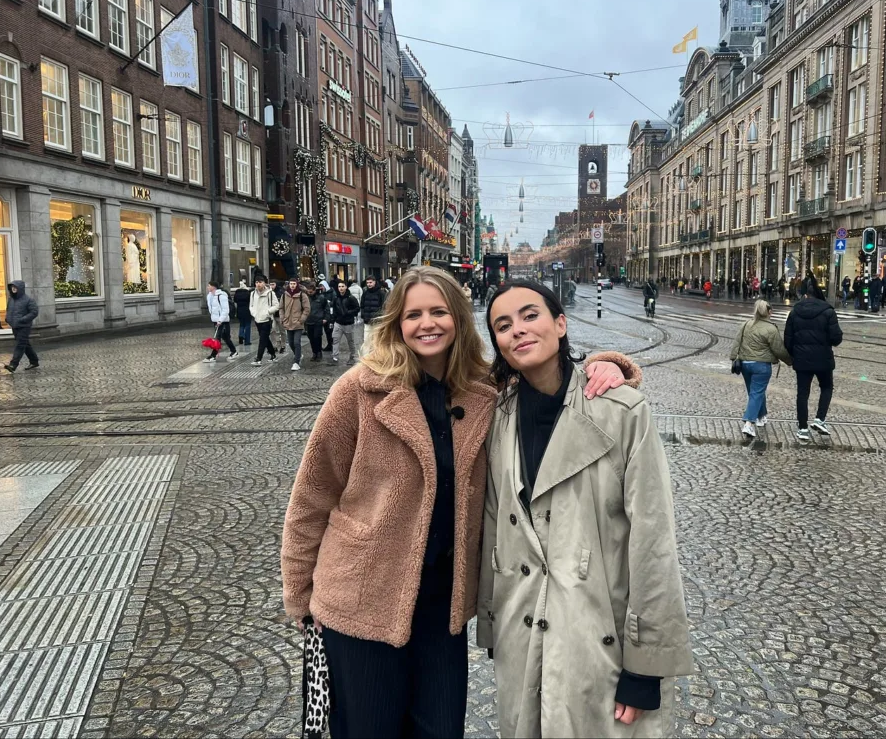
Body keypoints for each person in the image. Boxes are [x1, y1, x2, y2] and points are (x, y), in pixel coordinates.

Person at [280, 268, 630, 739]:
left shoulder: (485, 389)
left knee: (441, 729)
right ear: (396, 323)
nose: (427, 324)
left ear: (459, 320)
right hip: (361, 600)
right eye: (413, 315)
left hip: (443, 607)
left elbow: (549, 372)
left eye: (439, 312)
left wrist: (609, 366)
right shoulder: (358, 390)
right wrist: (300, 598)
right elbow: (311, 497)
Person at [479, 281, 692, 738]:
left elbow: (653, 541)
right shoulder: (497, 413)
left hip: (596, 641)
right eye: (503, 324)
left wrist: (646, 667)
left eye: (530, 315)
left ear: (561, 323)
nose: (518, 329)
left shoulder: (622, 411)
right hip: (521, 636)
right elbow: (496, 523)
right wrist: (494, 626)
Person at [785, 283, 843, 442]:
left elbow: (788, 339)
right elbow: (836, 338)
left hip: (802, 359)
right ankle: (820, 418)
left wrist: (794, 354)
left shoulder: (795, 311)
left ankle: (803, 428)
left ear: (806, 295)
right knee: (827, 387)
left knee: (802, 393)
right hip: (823, 358)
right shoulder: (828, 311)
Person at [730, 299, 792, 438]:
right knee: (756, 393)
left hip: (745, 364)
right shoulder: (771, 329)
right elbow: (779, 349)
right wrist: (790, 361)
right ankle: (748, 424)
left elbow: (736, 343)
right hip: (762, 366)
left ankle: (761, 416)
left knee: (755, 392)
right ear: (769, 312)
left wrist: (734, 358)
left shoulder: (746, 324)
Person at [2, 281, 38, 373]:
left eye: (15, 287)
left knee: (20, 345)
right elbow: (8, 310)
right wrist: (7, 319)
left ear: (20, 288)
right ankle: (34, 361)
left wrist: (23, 319)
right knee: (25, 344)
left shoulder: (28, 300)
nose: (13, 289)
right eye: (12, 287)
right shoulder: (11, 299)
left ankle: (13, 365)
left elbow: (34, 312)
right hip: (15, 326)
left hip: (24, 326)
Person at [249, 274, 280, 366]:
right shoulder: (253, 293)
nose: (258, 284)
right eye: (256, 282)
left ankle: (258, 359)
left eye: (260, 282)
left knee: (262, 339)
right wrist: (254, 313)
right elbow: (251, 305)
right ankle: (273, 355)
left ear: (264, 283)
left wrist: (268, 312)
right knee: (265, 338)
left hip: (267, 320)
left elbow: (277, 305)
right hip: (257, 319)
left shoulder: (270, 293)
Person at [280, 278, 311, 371]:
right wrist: (282, 318)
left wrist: (302, 319)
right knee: (291, 342)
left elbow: (307, 308)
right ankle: (298, 355)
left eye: (294, 284)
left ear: (297, 284)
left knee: (297, 342)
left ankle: (296, 362)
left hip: (298, 323)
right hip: (288, 322)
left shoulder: (302, 295)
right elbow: (281, 308)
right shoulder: (284, 295)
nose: (292, 285)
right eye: (291, 284)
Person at [205, 281, 239, 362]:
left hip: (223, 321)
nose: (207, 287)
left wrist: (220, 320)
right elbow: (211, 308)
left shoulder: (221, 295)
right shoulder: (209, 296)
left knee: (218, 337)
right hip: (215, 320)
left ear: (213, 287)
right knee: (226, 337)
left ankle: (213, 355)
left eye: (209, 286)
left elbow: (225, 309)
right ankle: (234, 351)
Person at [330, 280, 360, 365]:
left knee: (350, 341)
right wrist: (332, 320)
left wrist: (348, 312)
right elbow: (334, 310)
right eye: (339, 286)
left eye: (342, 286)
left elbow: (357, 308)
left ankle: (352, 357)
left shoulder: (351, 298)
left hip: (348, 323)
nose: (341, 288)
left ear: (346, 287)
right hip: (338, 323)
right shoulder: (336, 298)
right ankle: (335, 358)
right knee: (335, 340)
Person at [360, 276, 388, 350]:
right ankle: (366, 356)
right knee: (366, 341)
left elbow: (384, 306)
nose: (369, 284)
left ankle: (376, 356)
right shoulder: (365, 293)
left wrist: (380, 317)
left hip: (377, 322)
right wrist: (364, 315)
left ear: (374, 282)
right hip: (367, 321)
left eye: (370, 282)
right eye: (367, 283)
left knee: (376, 341)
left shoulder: (381, 293)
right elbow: (362, 305)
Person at [304, 282, 330, 362]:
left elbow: (327, 308)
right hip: (309, 321)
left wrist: (326, 318)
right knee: (311, 338)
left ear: (314, 290)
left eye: (311, 292)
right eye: (308, 292)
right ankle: (314, 353)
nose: (309, 293)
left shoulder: (321, 298)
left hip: (318, 321)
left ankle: (319, 353)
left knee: (317, 337)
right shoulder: (306, 298)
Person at [233, 280, 252, 345]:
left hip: (239, 310)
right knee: (247, 325)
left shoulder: (237, 293)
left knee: (241, 324)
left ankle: (241, 334)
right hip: (247, 310)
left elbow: (235, 301)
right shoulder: (248, 293)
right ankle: (247, 341)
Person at [270, 281, 286, 354]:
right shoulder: (269, 293)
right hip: (272, 315)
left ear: (276, 284)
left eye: (273, 284)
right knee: (272, 330)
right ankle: (274, 346)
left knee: (282, 330)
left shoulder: (281, 292)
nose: (271, 286)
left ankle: (283, 345)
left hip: (280, 314)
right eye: (270, 284)